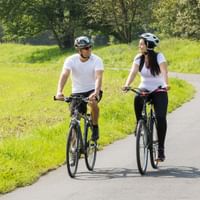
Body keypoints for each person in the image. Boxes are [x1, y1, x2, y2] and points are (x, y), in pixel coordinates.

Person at [122, 33, 169, 161]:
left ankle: (160, 150)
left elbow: (164, 71)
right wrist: (127, 84)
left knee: (160, 117)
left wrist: (166, 84)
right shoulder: (139, 58)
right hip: (145, 88)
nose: (139, 46)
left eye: (141, 43)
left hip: (159, 89)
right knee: (138, 98)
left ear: (148, 45)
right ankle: (139, 123)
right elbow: (133, 72)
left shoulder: (159, 56)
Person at [56, 36, 104, 141]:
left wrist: (96, 92)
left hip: (93, 89)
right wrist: (59, 91)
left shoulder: (97, 60)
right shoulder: (70, 60)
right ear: (79, 50)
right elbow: (65, 75)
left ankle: (95, 126)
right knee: (75, 116)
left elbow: (98, 77)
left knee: (93, 103)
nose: (89, 50)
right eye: (86, 48)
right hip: (77, 92)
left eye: (90, 47)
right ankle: (74, 147)